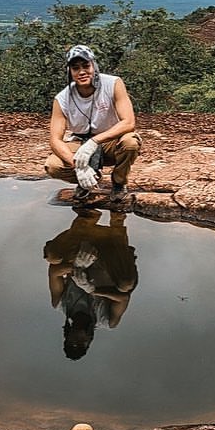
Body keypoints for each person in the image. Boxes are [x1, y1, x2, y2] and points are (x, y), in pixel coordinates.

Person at [45, 44, 141, 203]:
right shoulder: (62, 99)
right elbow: (55, 139)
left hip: (110, 141)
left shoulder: (113, 84)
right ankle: (86, 179)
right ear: (70, 71)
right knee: (53, 165)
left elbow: (128, 122)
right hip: (79, 142)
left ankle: (119, 182)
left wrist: (94, 141)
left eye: (86, 66)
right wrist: (78, 166)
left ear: (94, 65)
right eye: (75, 68)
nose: (81, 72)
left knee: (131, 142)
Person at [43, 209, 138, 360]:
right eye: (81, 342)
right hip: (109, 257)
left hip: (84, 250)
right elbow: (123, 298)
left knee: (53, 257)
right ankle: (117, 219)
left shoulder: (60, 303)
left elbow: (53, 272)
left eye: (73, 341)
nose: (78, 338)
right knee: (126, 284)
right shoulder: (107, 321)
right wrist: (94, 290)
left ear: (67, 335)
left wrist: (77, 266)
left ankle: (87, 215)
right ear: (89, 340)